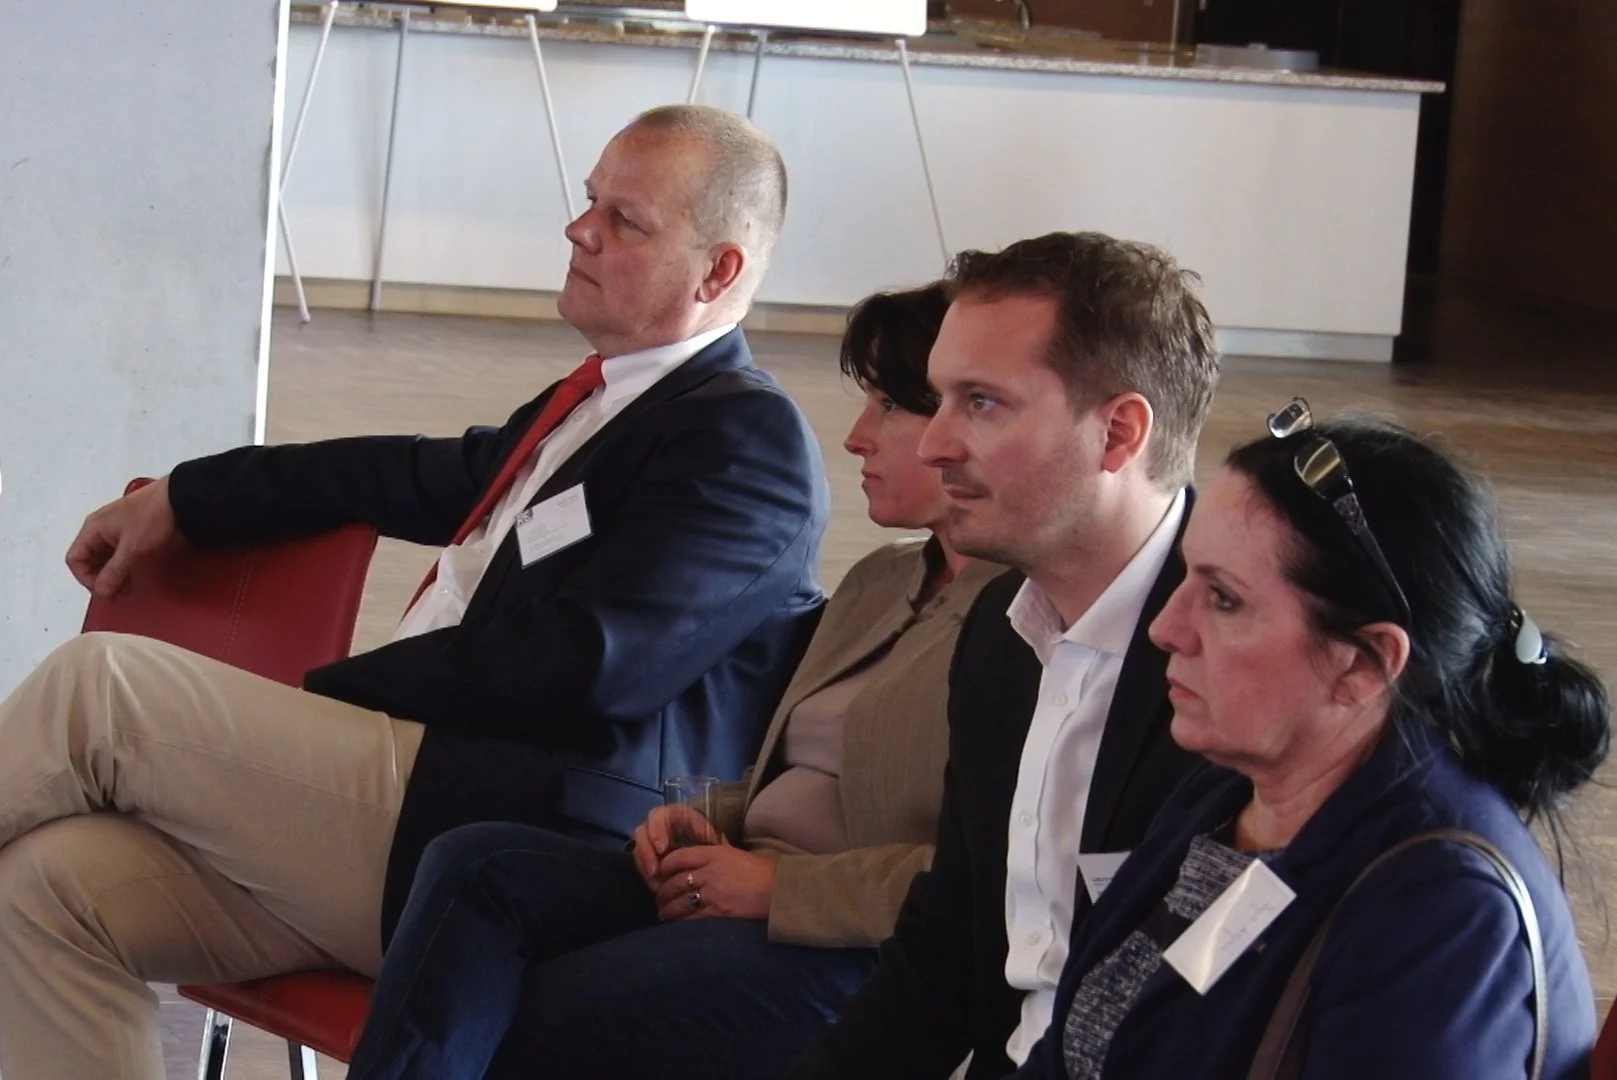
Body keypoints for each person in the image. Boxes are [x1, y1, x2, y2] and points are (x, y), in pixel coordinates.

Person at [0, 104, 828, 1080]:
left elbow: (597, 663)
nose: (579, 231)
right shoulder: (604, 403)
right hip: (408, 813)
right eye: (588, 202)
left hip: (513, 836)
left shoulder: (744, 440)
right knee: (47, 888)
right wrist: (186, 495)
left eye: (625, 220)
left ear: (718, 270)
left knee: (100, 688)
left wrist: (341, 692)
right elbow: (404, 474)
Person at [340, 281, 1004, 1080]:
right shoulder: (879, 581)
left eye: (890, 407)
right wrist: (701, 818)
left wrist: (778, 886)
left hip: (849, 945)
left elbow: (988, 878)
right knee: (477, 863)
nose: (857, 437)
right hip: (741, 883)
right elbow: (796, 766)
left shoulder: (1018, 622)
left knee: (518, 1010)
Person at [1016, 402, 1609, 1079]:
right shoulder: (1227, 791)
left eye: (1224, 599)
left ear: (1363, 665)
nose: (1165, 628)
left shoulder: (1442, 911)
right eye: (1185, 577)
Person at [789, 231, 1222, 1080]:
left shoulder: (1234, 655)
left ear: (1117, 433)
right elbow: (948, 943)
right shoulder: (1000, 629)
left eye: (981, 403)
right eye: (939, 399)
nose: (933, 444)